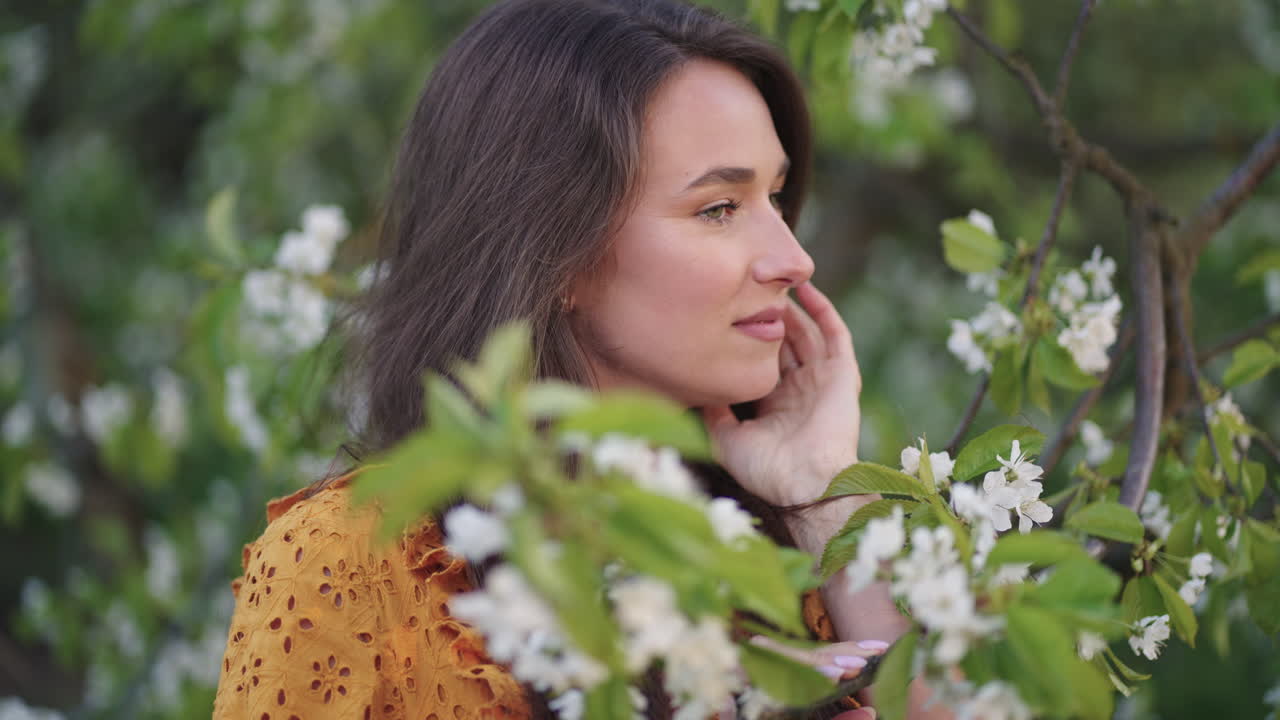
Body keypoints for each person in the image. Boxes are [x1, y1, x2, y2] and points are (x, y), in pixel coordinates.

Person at [212, 1, 949, 718]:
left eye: (778, 198)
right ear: (557, 252)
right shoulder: (352, 568)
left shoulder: (773, 558)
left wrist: (825, 492)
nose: (794, 257)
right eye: (719, 208)